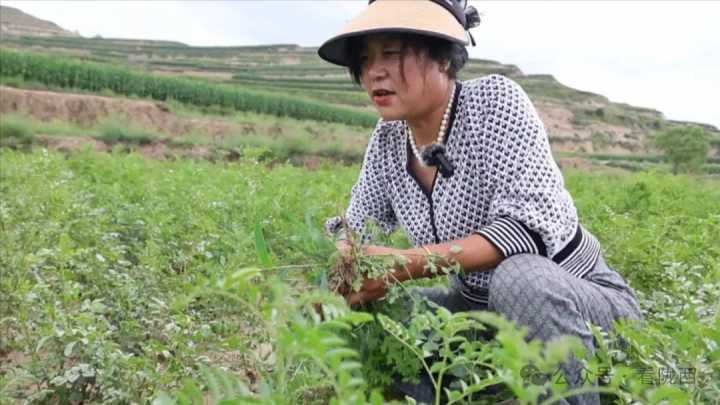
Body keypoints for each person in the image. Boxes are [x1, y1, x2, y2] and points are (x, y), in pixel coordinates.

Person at [317, 1, 642, 403]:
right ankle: (465, 391)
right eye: (365, 60)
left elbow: (525, 230)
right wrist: (346, 261)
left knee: (519, 278)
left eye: (392, 53)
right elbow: (357, 226)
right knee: (358, 302)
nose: (374, 72)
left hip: (577, 302)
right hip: (478, 312)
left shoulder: (494, 104)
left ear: (442, 57)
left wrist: (402, 263)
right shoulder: (387, 140)